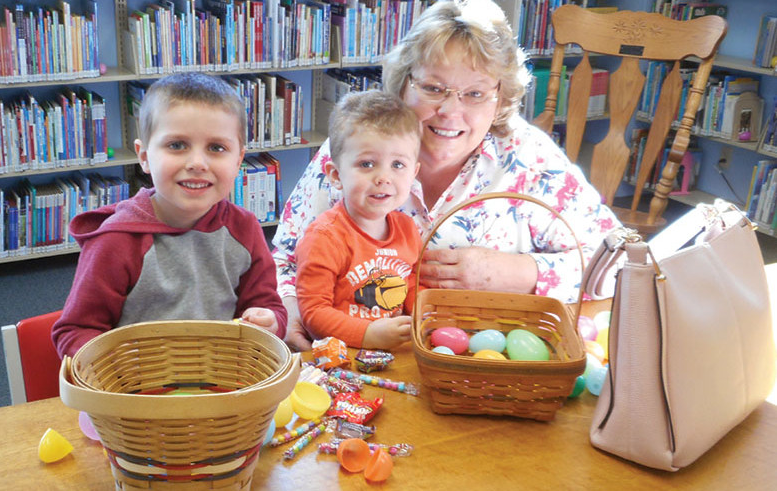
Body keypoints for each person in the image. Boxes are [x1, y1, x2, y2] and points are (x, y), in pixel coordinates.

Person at [273, 0, 622, 351]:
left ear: (500, 99)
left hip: (488, 362)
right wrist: (290, 310)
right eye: (434, 88)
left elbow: (619, 264)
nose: (450, 111)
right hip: (356, 356)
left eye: (475, 93)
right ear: (404, 85)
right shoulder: (357, 146)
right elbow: (285, 258)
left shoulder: (531, 159)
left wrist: (517, 272)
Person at [52, 73, 286, 358]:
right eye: (177, 145)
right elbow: (75, 331)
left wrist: (270, 321)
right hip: (137, 389)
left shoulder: (244, 228)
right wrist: (119, 367)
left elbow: (269, 306)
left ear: (238, 160)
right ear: (145, 157)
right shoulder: (117, 241)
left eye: (217, 148)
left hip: (221, 382)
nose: (197, 163)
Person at [295, 90, 422, 350]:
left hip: (393, 355)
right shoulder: (324, 237)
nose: (383, 177)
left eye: (398, 165)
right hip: (342, 360)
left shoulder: (408, 230)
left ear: (414, 172)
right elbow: (314, 314)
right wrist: (369, 334)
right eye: (367, 164)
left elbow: (410, 284)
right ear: (335, 175)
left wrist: (421, 315)